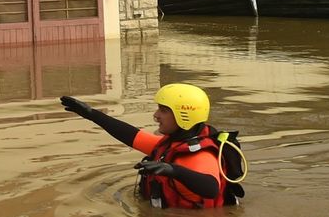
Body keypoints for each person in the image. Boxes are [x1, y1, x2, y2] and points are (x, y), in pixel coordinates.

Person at [60, 83, 244, 208]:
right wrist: (91, 114)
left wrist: (173, 170)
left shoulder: (200, 157)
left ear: (183, 115)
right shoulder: (173, 144)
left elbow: (211, 188)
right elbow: (132, 136)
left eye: (163, 110)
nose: (156, 115)